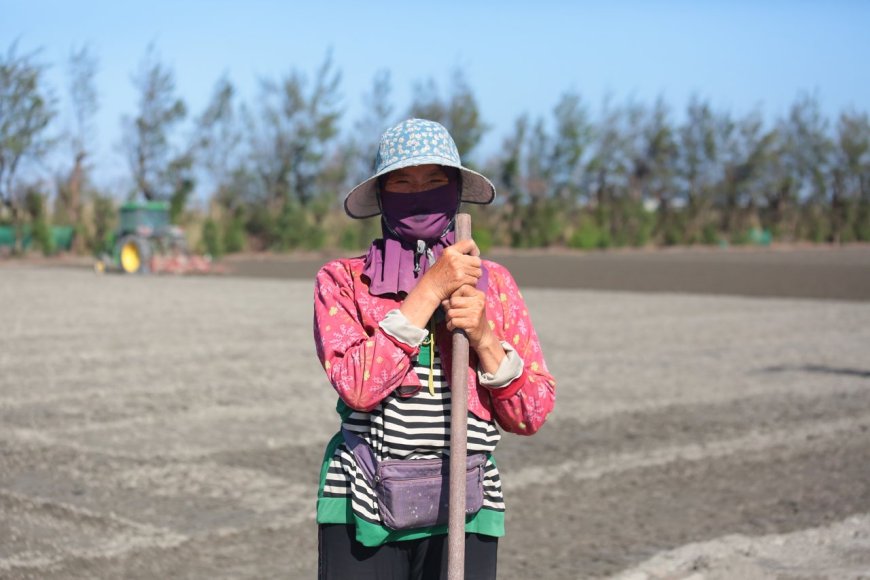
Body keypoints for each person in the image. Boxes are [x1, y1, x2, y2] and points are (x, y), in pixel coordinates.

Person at [314, 118, 556, 579]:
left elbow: (532, 412)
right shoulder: (343, 281)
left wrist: (484, 336)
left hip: (466, 506)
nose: (418, 193)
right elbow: (358, 387)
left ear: (456, 192)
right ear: (382, 195)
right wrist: (428, 292)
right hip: (360, 503)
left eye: (434, 181)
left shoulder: (495, 285)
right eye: (402, 182)